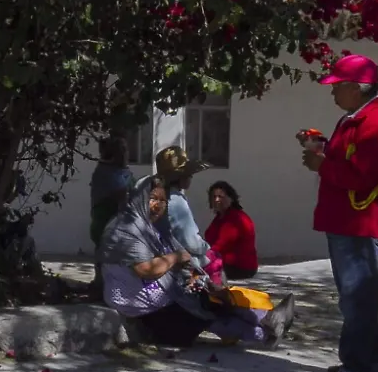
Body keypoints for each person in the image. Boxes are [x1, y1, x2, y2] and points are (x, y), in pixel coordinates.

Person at [304, 53, 378, 372]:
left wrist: (321, 165)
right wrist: (324, 150)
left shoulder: (375, 123)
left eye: (337, 87)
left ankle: (357, 371)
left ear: (356, 88)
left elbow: (363, 177)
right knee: (359, 298)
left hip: (358, 223)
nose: (332, 94)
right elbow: (353, 160)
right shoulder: (360, 117)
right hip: (352, 220)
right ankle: (367, 364)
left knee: (356, 299)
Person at [97, 176, 290, 349]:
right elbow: (146, 269)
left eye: (163, 201)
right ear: (139, 198)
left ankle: (266, 324)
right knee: (206, 307)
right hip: (138, 303)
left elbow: (166, 260)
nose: (158, 205)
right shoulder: (126, 229)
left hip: (152, 297)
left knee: (208, 297)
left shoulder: (146, 227)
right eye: (153, 199)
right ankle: (265, 327)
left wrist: (189, 273)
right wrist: (176, 258)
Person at [152, 147, 210, 277]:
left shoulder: (154, 195)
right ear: (180, 177)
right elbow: (191, 241)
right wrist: (207, 247)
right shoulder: (176, 201)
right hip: (172, 263)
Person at [87, 136, 134, 291]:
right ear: (116, 154)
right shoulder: (106, 173)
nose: (127, 154)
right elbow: (122, 194)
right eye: (124, 151)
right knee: (106, 259)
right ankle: (102, 289)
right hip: (105, 224)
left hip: (115, 225)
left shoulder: (121, 171)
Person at [203, 180, 259, 280]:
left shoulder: (235, 218)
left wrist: (201, 258)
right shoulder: (220, 217)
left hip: (240, 267)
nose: (216, 200)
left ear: (231, 198)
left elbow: (221, 246)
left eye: (221, 197)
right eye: (213, 197)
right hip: (223, 263)